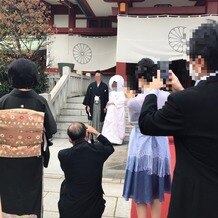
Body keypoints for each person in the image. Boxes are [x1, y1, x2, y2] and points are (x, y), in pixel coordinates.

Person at [139, 22, 218, 218]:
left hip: (195, 200)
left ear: (199, 62)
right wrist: (183, 91)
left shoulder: (185, 102)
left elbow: (147, 123)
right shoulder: (187, 99)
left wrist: (152, 91)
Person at [0, 58, 57, 217]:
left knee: (7, 192)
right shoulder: (40, 101)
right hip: (32, 158)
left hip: (6, 159)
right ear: (33, 77)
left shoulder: (3, 102)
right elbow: (51, 130)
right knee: (32, 192)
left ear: (12, 77)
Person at [123, 58, 171, 218]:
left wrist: (129, 97)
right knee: (157, 193)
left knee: (140, 193)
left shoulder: (134, 102)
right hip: (160, 145)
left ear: (140, 77)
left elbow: (133, 121)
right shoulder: (167, 97)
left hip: (141, 146)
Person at [58, 122, 114, 218]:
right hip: (93, 205)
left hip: (70, 206)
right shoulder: (98, 150)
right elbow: (110, 147)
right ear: (87, 135)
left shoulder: (63, 154)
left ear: (70, 140)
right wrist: (97, 133)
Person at [102, 75, 126, 145]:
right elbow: (109, 101)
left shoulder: (122, 93)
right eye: (113, 84)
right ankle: (108, 139)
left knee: (117, 124)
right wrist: (106, 106)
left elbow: (123, 101)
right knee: (109, 124)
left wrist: (114, 102)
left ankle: (117, 140)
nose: (114, 85)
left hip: (118, 111)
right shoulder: (111, 93)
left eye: (115, 84)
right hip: (111, 111)